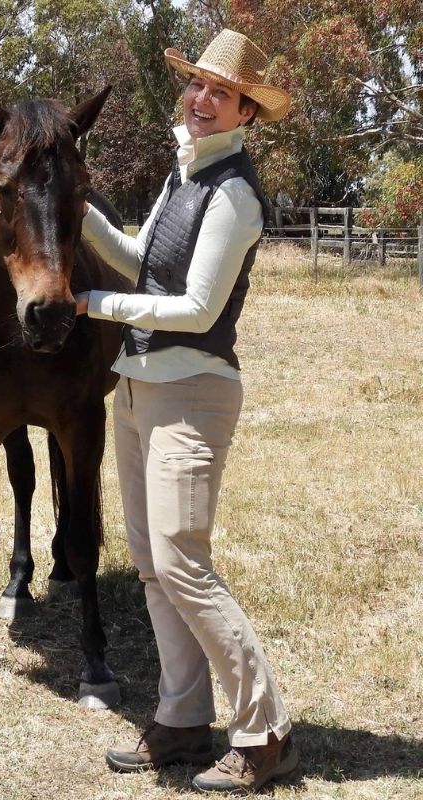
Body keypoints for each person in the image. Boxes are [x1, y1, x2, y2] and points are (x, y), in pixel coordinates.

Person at [75, 29, 297, 794]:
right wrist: (80, 214)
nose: (202, 100)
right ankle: (179, 720)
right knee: (150, 566)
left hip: (193, 392)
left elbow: (198, 308)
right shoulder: (183, 176)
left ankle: (265, 731)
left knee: (183, 563)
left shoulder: (234, 193)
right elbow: (147, 262)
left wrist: (95, 302)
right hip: (137, 388)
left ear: (246, 114)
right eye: (197, 86)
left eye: (220, 93)